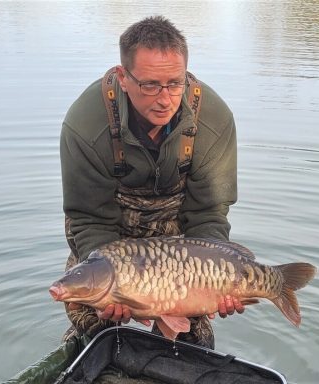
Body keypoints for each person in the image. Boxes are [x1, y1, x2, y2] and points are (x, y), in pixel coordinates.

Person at [60, 15, 244, 349]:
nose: (164, 99)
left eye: (175, 83)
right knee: (94, 320)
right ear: (123, 78)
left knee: (191, 340)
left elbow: (209, 215)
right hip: (112, 244)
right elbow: (89, 218)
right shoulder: (85, 125)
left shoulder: (215, 121)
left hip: (181, 251)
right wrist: (113, 287)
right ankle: (93, 343)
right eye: (150, 85)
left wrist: (217, 280)